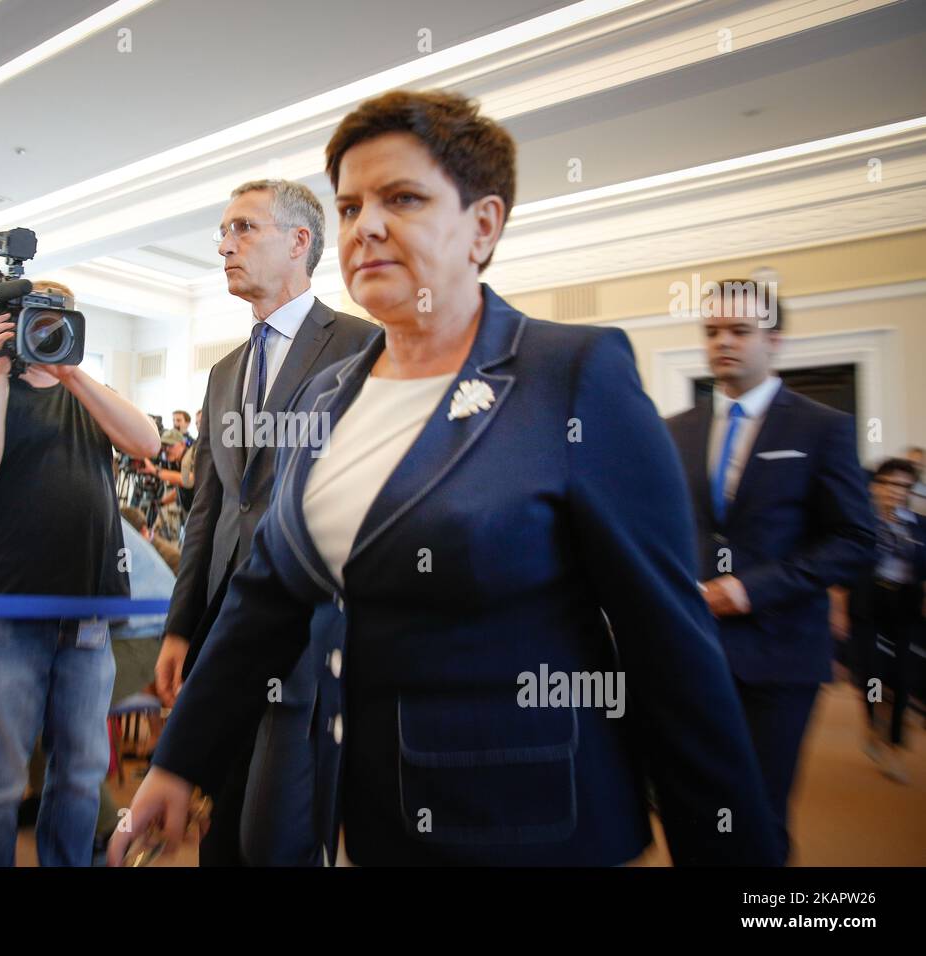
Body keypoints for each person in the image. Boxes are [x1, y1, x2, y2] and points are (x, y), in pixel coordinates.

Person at [114, 89, 782, 868]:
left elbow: (670, 648)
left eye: (402, 198)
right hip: (355, 810)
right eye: (352, 203)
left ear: (484, 225)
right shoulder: (332, 396)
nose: (366, 225)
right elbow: (269, 599)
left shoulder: (570, 375)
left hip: (522, 826)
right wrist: (179, 760)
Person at [154, 178, 378, 867]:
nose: (224, 245)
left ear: (299, 241)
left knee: (278, 834)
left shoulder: (363, 346)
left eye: (243, 228)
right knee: (220, 824)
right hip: (224, 631)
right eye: (222, 232)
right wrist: (181, 626)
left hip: (312, 627)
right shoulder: (223, 374)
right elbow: (208, 508)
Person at [0, 277, 159, 866]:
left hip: (87, 613)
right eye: (36, 317)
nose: (47, 327)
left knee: (82, 772)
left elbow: (146, 441)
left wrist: (69, 372)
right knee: (0, 777)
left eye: (59, 319)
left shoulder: (86, 391)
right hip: (2, 613)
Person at [666, 279, 876, 859]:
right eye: (712, 332)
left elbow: (858, 539)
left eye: (739, 331)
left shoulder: (819, 427)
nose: (722, 343)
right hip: (693, 654)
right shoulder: (676, 430)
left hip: (779, 656)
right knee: (694, 807)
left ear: (774, 340)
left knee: (757, 814)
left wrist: (750, 590)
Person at [848, 458, 925, 783]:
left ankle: (893, 747)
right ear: (875, 486)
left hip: (905, 602)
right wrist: (837, 608)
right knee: (871, 673)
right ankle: (873, 723)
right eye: (890, 484)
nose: (896, 492)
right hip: (868, 600)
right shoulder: (860, 521)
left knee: (902, 675)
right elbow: (845, 566)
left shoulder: (919, 525)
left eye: (904, 486)